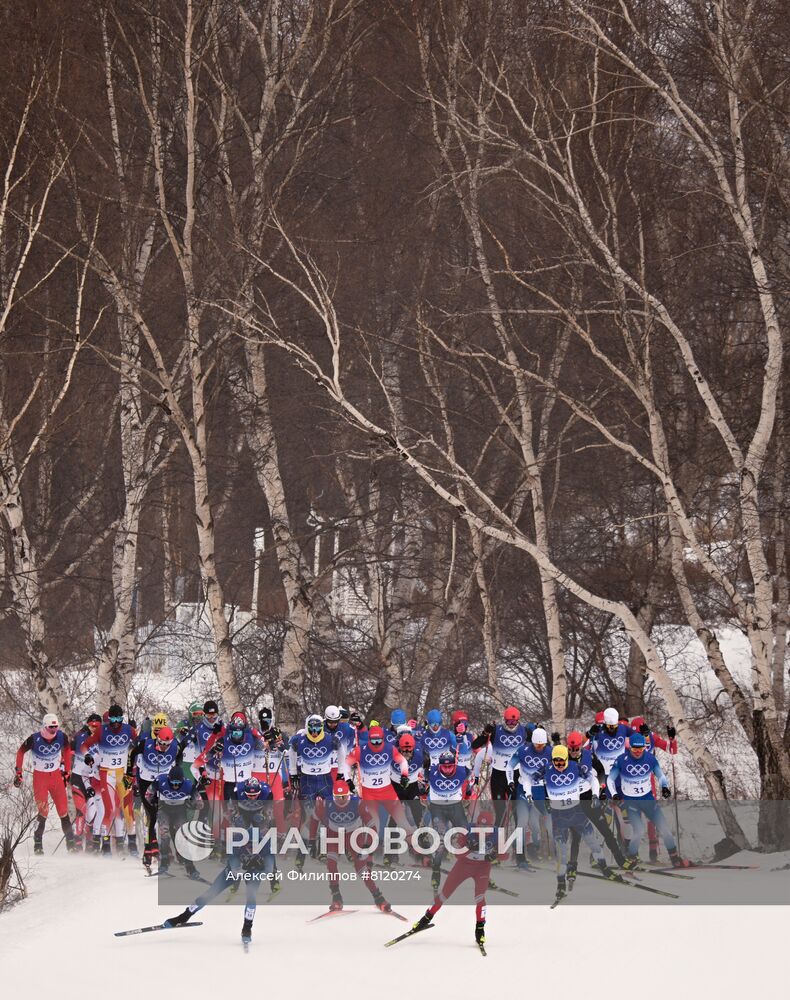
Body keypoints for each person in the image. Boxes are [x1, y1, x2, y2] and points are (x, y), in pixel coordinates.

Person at [164, 776, 276, 947]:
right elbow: (231, 857)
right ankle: (184, 916)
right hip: (238, 868)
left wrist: (262, 868)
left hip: (254, 869)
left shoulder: (265, 837)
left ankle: (247, 927)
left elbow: (270, 863)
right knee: (211, 892)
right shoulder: (237, 834)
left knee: (251, 896)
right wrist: (237, 868)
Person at [531, 744, 615, 901]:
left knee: (593, 843)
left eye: (562, 762)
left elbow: (593, 780)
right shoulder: (546, 769)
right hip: (559, 818)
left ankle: (605, 869)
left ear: (567, 760)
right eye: (556, 762)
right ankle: (560, 885)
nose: (560, 765)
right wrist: (540, 798)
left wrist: (595, 795)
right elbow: (530, 780)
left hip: (577, 814)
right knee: (562, 854)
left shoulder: (576, 767)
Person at [410, 810, 500, 951]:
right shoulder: (467, 830)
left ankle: (480, 929)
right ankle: (425, 919)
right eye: (480, 826)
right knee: (444, 895)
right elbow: (458, 854)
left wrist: (497, 854)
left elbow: (505, 855)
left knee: (480, 897)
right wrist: (475, 853)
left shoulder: (497, 833)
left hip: (482, 869)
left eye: (486, 828)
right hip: (463, 866)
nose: (483, 830)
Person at [607, 732, 688, 867]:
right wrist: (614, 794)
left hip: (648, 799)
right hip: (631, 801)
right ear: (630, 747)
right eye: (634, 749)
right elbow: (610, 779)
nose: (638, 752)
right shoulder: (621, 760)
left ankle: (674, 858)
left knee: (664, 829)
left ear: (645, 747)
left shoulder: (650, 759)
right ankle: (631, 858)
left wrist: (665, 787)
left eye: (641, 749)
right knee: (638, 831)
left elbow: (660, 776)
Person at [317, 779, 394, 914]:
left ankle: (378, 898)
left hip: (354, 836)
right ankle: (336, 898)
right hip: (335, 835)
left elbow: (372, 826)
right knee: (331, 864)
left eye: (344, 796)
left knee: (361, 869)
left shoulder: (357, 803)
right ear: (333, 796)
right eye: (337, 797)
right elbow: (316, 817)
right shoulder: (326, 802)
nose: (341, 800)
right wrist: (315, 838)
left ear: (349, 794)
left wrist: (366, 847)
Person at [565, 730, 626, 875]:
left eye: (576, 749)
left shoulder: (588, 755)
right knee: (576, 836)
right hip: (574, 801)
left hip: (589, 798)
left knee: (605, 829)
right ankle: (572, 866)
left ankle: (621, 860)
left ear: (581, 746)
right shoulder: (562, 759)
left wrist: (602, 788)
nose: (573, 752)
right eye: (571, 749)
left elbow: (601, 770)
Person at [80, 705, 138, 855]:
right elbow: (84, 745)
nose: (116, 722)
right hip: (107, 774)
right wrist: (87, 756)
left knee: (128, 809)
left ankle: (132, 845)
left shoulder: (128, 730)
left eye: (119, 719)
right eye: (113, 719)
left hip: (124, 774)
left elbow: (139, 745)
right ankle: (105, 845)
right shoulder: (102, 730)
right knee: (110, 810)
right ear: (109, 718)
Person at [14, 713, 75, 854]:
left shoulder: (61, 736)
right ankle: (38, 842)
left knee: (63, 810)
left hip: (55, 777)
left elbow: (67, 750)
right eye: (50, 727)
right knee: (43, 810)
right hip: (40, 778)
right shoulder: (34, 739)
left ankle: (71, 843)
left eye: (55, 727)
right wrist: (18, 773)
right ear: (44, 727)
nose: (53, 730)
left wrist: (67, 771)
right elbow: (20, 752)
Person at [288, 714, 338, 865]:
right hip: (306, 782)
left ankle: (322, 850)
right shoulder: (300, 739)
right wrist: (294, 776)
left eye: (317, 729)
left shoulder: (325, 739)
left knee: (324, 816)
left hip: (322, 781)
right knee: (307, 816)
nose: (314, 732)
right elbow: (291, 757)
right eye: (311, 729)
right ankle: (302, 853)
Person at [128, 725, 181, 869]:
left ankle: (162, 848)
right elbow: (132, 754)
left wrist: (177, 770)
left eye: (166, 745)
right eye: (161, 744)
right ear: (157, 739)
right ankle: (149, 849)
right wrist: (129, 773)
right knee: (151, 814)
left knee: (163, 815)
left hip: (163, 783)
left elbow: (179, 756)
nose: (164, 747)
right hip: (146, 782)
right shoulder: (147, 744)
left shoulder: (175, 745)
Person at [629, 716, 678, 861]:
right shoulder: (628, 740)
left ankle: (653, 852)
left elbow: (671, 750)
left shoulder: (651, 736)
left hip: (648, 782)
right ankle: (630, 852)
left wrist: (672, 739)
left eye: (639, 733)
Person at [425, 749, 473, 890]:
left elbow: (471, 778)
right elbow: (421, 780)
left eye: (450, 766)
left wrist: (468, 791)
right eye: (444, 767)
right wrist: (422, 793)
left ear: (454, 764)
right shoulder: (431, 771)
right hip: (438, 808)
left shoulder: (463, 770)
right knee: (440, 840)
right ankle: (436, 870)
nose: (447, 769)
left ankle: (475, 868)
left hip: (455, 807)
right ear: (439, 766)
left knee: (467, 835)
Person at [145, 765, 202, 877]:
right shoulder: (160, 780)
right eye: (173, 782)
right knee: (164, 832)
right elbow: (148, 794)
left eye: (178, 783)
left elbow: (199, 801)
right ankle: (164, 863)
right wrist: (153, 801)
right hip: (164, 809)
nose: (175, 785)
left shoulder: (188, 784)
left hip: (179, 810)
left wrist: (195, 804)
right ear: (168, 779)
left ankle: (190, 867)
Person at [508, 726, 553, 868]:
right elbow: (510, 766)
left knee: (535, 825)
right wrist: (510, 781)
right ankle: (519, 856)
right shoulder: (523, 750)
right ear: (532, 742)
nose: (540, 747)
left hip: (539, 790)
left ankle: (538, 849)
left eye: (542, 745)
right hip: (523, 789)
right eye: (537, 745)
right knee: (522, 822)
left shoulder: (550, 752)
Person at [472, 706, 525, 824]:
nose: (511, 724)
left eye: (514, 721)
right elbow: (475, 745)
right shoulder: (496, 731)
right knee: (501, 812)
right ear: (504, 720)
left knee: (517, 811)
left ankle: (519, 839)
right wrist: (485, 733)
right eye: (509, 721)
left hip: (515, 776)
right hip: (498, 776)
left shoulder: (524, 731)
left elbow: (539, 745)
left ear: (518, 720)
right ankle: (498, 839)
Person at [70, 713, 102, 849]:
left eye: (97, 726)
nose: (94, 728)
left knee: (92, 812)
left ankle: (89, 838)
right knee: (81, 810)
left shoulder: (103, 738)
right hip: (78, 777)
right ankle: (77, 839)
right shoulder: (80, 736)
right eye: (92, 725)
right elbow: (69, 751)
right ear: (88, 725)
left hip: (93, 778)